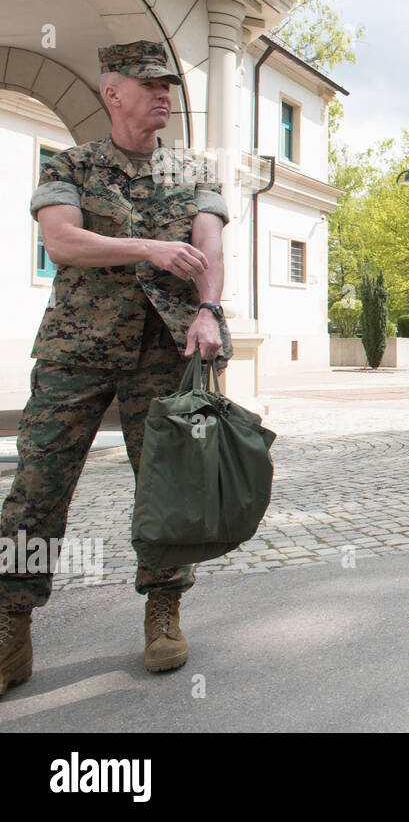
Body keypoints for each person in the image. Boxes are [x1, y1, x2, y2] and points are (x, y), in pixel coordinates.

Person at [1, 40, 231, 696]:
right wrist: (150, 247)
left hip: (164, 351)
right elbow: (61, 239)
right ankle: (10, 620)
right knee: (38, 486)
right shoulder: (70, 164)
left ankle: (164, 608)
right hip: (76, 350)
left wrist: (209, 310)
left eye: (169, 83)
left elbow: (210, 245)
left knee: (167, 490)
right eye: (149, 82)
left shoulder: (196, 171)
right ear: (113, 91)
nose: (164, 93)